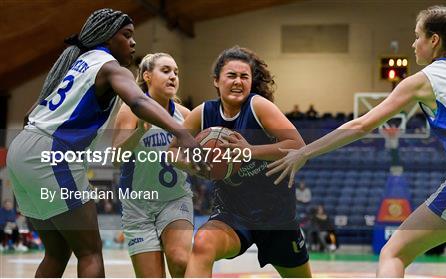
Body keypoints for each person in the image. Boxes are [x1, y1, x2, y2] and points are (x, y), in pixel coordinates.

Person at [267, 6, 446, 277]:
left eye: (417, 36)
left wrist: (305, 152)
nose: (413, 43)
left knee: (393, 253)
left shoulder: (424, 80)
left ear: (434, 40)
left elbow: (361, 125)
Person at [6, 9, 205, 277]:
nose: (133, 42)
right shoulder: (109, 66)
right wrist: (180, 133)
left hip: (20, 149)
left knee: (57, 252)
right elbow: (138, 101)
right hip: (53, 153)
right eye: (126, 35)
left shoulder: (75, 64)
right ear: (107, 38)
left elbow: (31, 113)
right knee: (89, 252)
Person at [183, 46, 312, 277]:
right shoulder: (204, 113)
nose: (238, 82)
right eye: (231, 75)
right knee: (202, 242)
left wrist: (251, 151)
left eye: (244, 77)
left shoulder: (258, 106)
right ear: (216, 80)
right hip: (232, 214)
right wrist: (193, 165)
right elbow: (172, 150)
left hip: (276, 217)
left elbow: (298, 146)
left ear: (251, 82)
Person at [113, 52, 195, 277]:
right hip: (138, 206)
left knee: (180, 260)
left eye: (176, 73)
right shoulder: (129, 110)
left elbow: (195, 158)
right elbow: (115, 159)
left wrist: (193, 162)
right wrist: (138, 131)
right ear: (147, 76)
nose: (173, 77)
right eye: (166, 71)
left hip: (175, 199)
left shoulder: (185, 115)